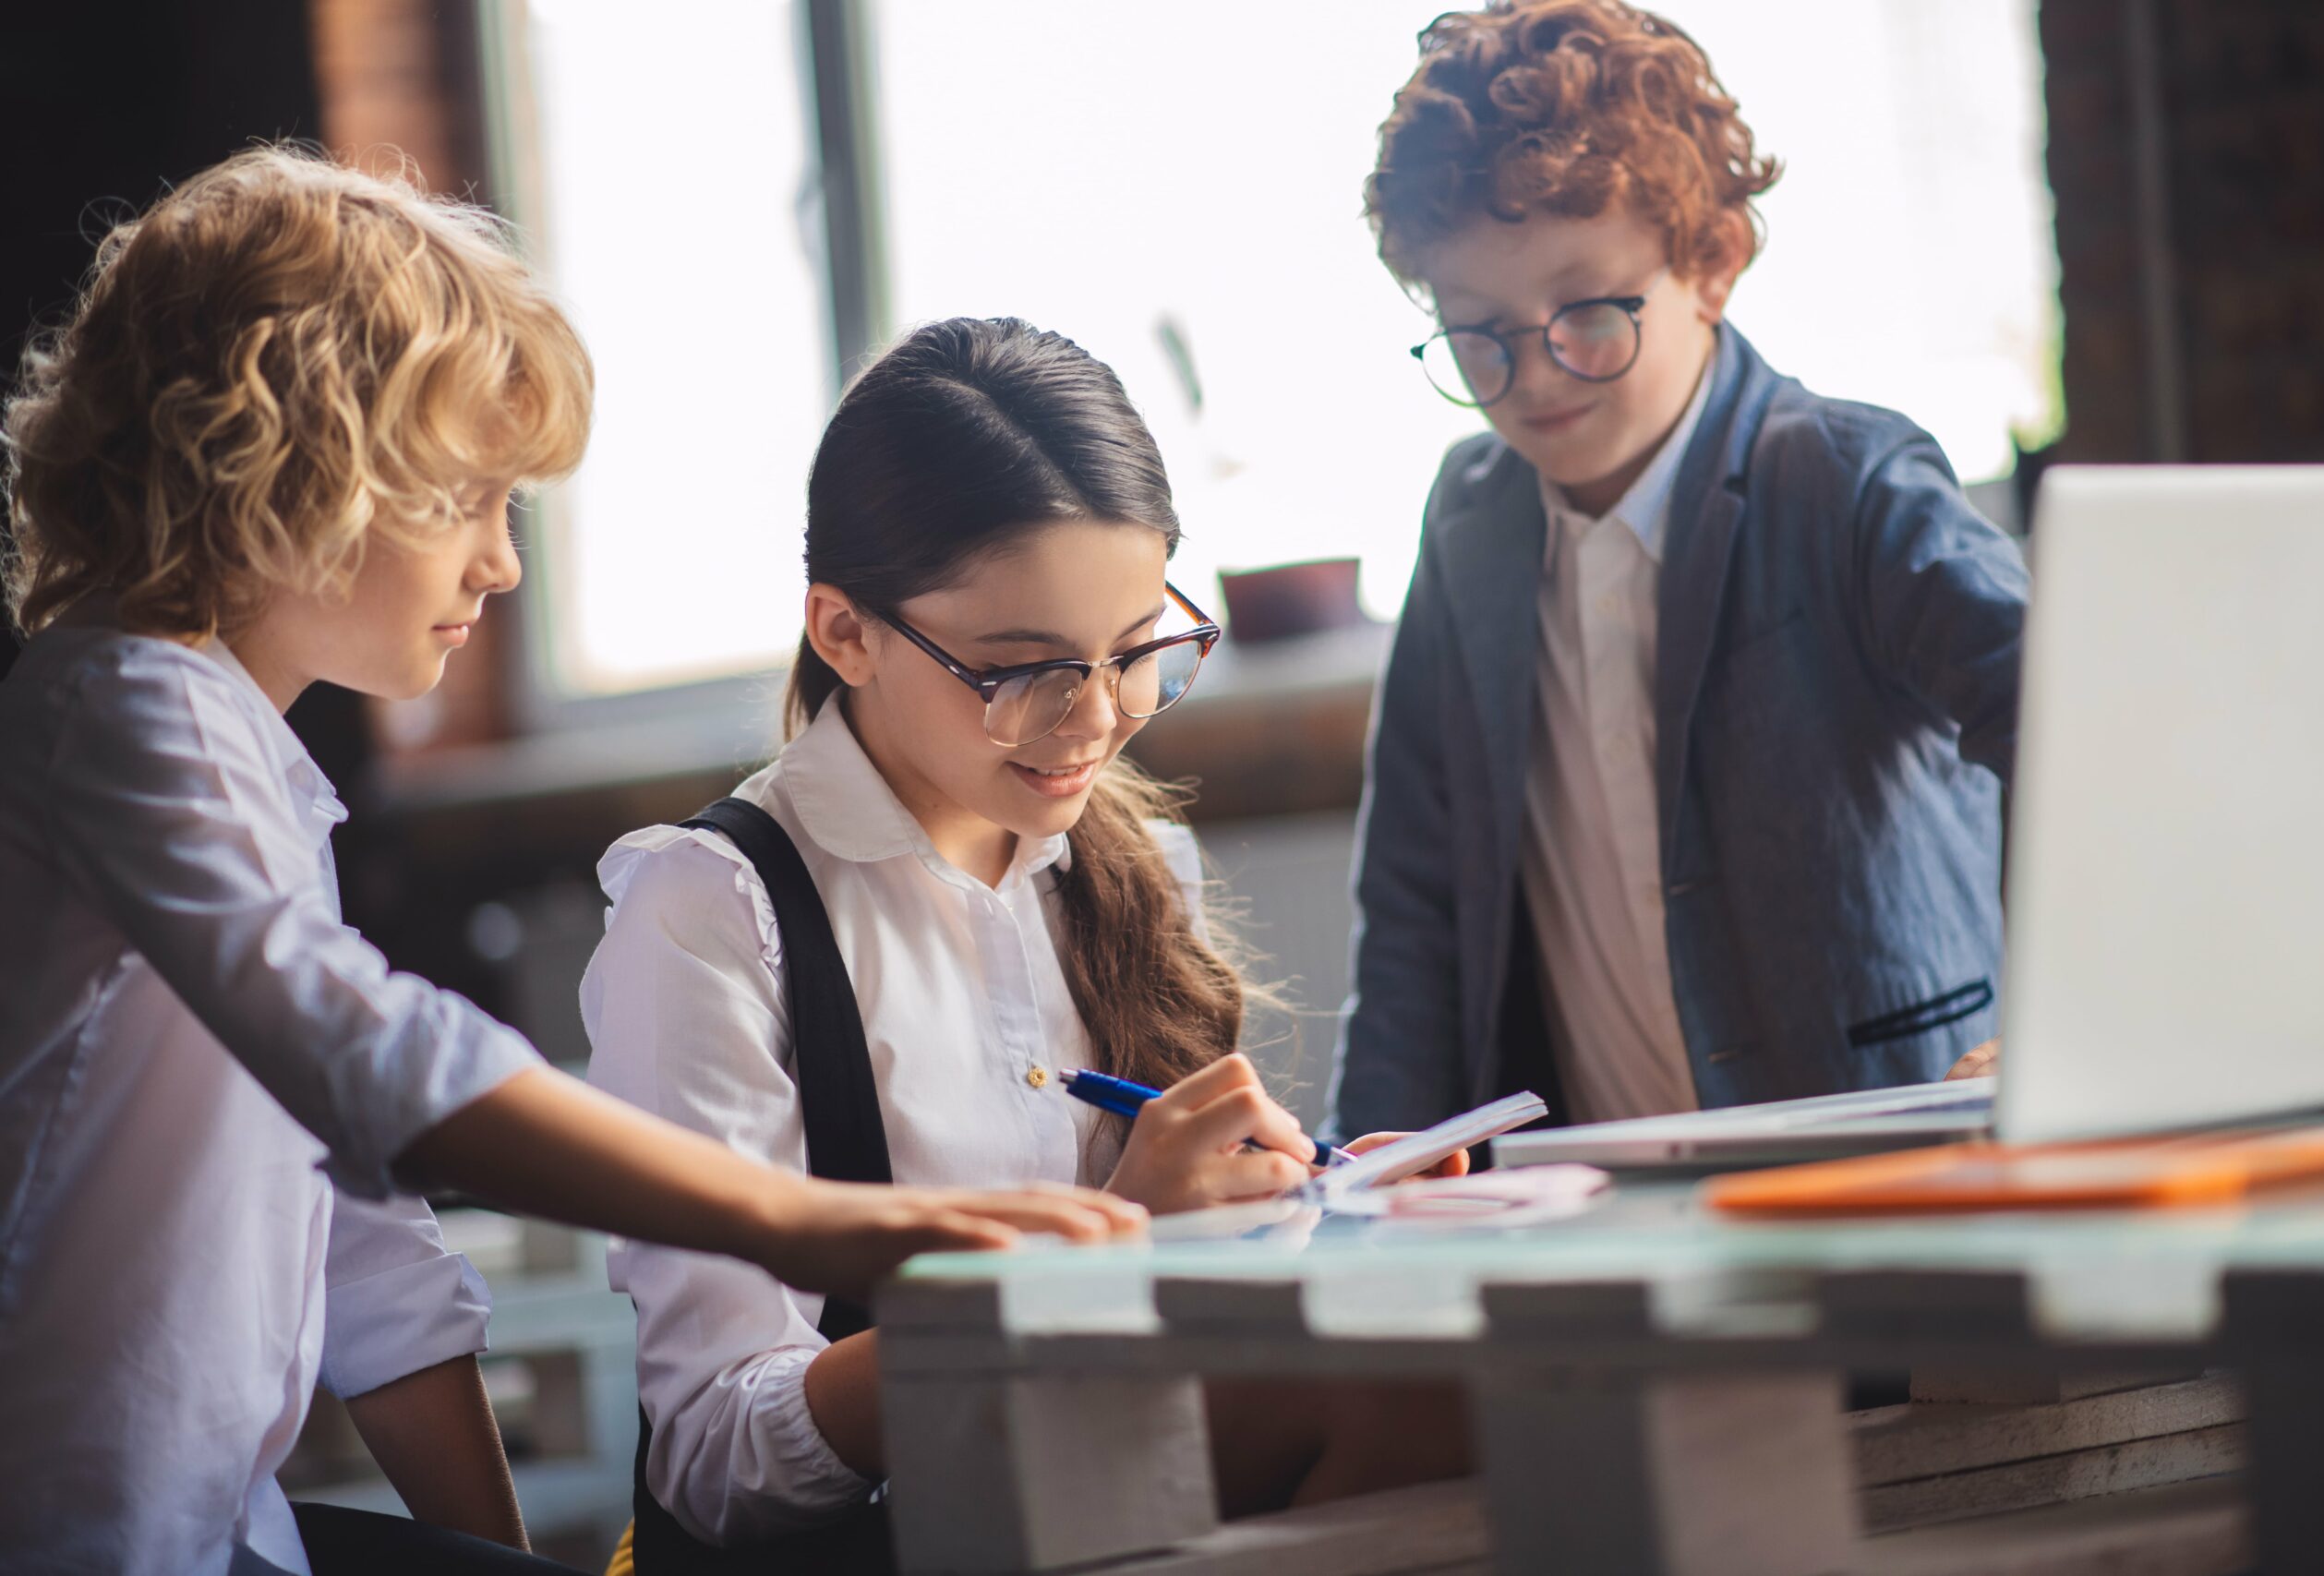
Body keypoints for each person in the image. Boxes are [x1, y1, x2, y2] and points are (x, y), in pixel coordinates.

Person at [0, 149, 1136, 1576]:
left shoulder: (255, 766)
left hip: (223, 1534)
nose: (500, 563)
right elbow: (384, 1064)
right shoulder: (117, 706)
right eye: (464, 496)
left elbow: (370, 1253)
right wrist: (840, 1220)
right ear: (282, 463)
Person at [583, 318, 1469, 1570]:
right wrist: (1095, 1258)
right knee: (1413, 1410)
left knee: (1477, 1383)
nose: (1098, 720)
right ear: (844, 631)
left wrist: (1317, 1210)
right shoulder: (712, 907)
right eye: (1025, 669)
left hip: (1115, 1487)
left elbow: (1189, 1315)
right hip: (898, 1536)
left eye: (1135, 652)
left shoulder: (1135, 867)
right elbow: (720, 1465)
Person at [1332, 0, 2026, 1139]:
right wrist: (1371, 1180)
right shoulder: (1467, 526)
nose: (1537, 373)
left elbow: (2072, 724)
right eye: (1477, 332)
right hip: (1602, 1195)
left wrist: (2056, 1020)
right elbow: (1414, 898)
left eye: (1587, 312)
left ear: (1712, 261)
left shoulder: (1845, 480)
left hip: (1886, 1153)